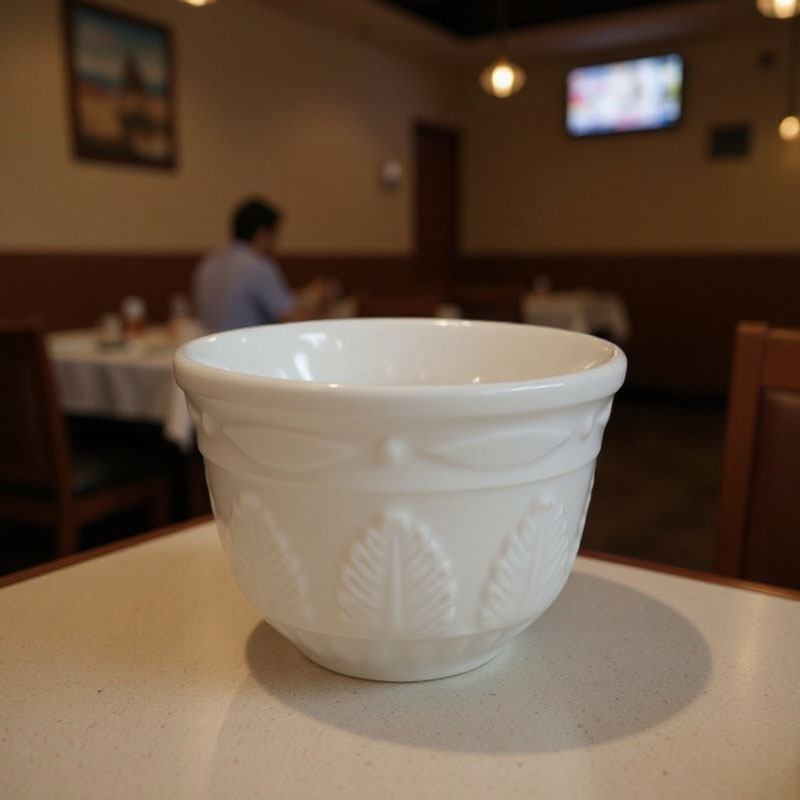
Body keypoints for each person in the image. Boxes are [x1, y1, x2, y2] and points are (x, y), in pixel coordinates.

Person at [193, 198, 337, 332]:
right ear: (263, 233)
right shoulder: (257, 266)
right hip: (245, 352)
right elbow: (296, 321)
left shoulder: (207, 264)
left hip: (209, 351)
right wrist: (320, 303)